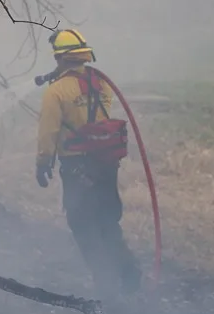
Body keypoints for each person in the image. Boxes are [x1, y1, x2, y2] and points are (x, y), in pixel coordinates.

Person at [35, 29, 141, 295]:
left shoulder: (56, 92)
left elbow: (48, 130)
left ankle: (105, 286)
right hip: (106, 165)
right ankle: (129, 274)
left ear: (59, 58)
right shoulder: (100, 84)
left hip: (76, 168)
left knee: (84, 225)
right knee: (107, 221)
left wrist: (43, 162)